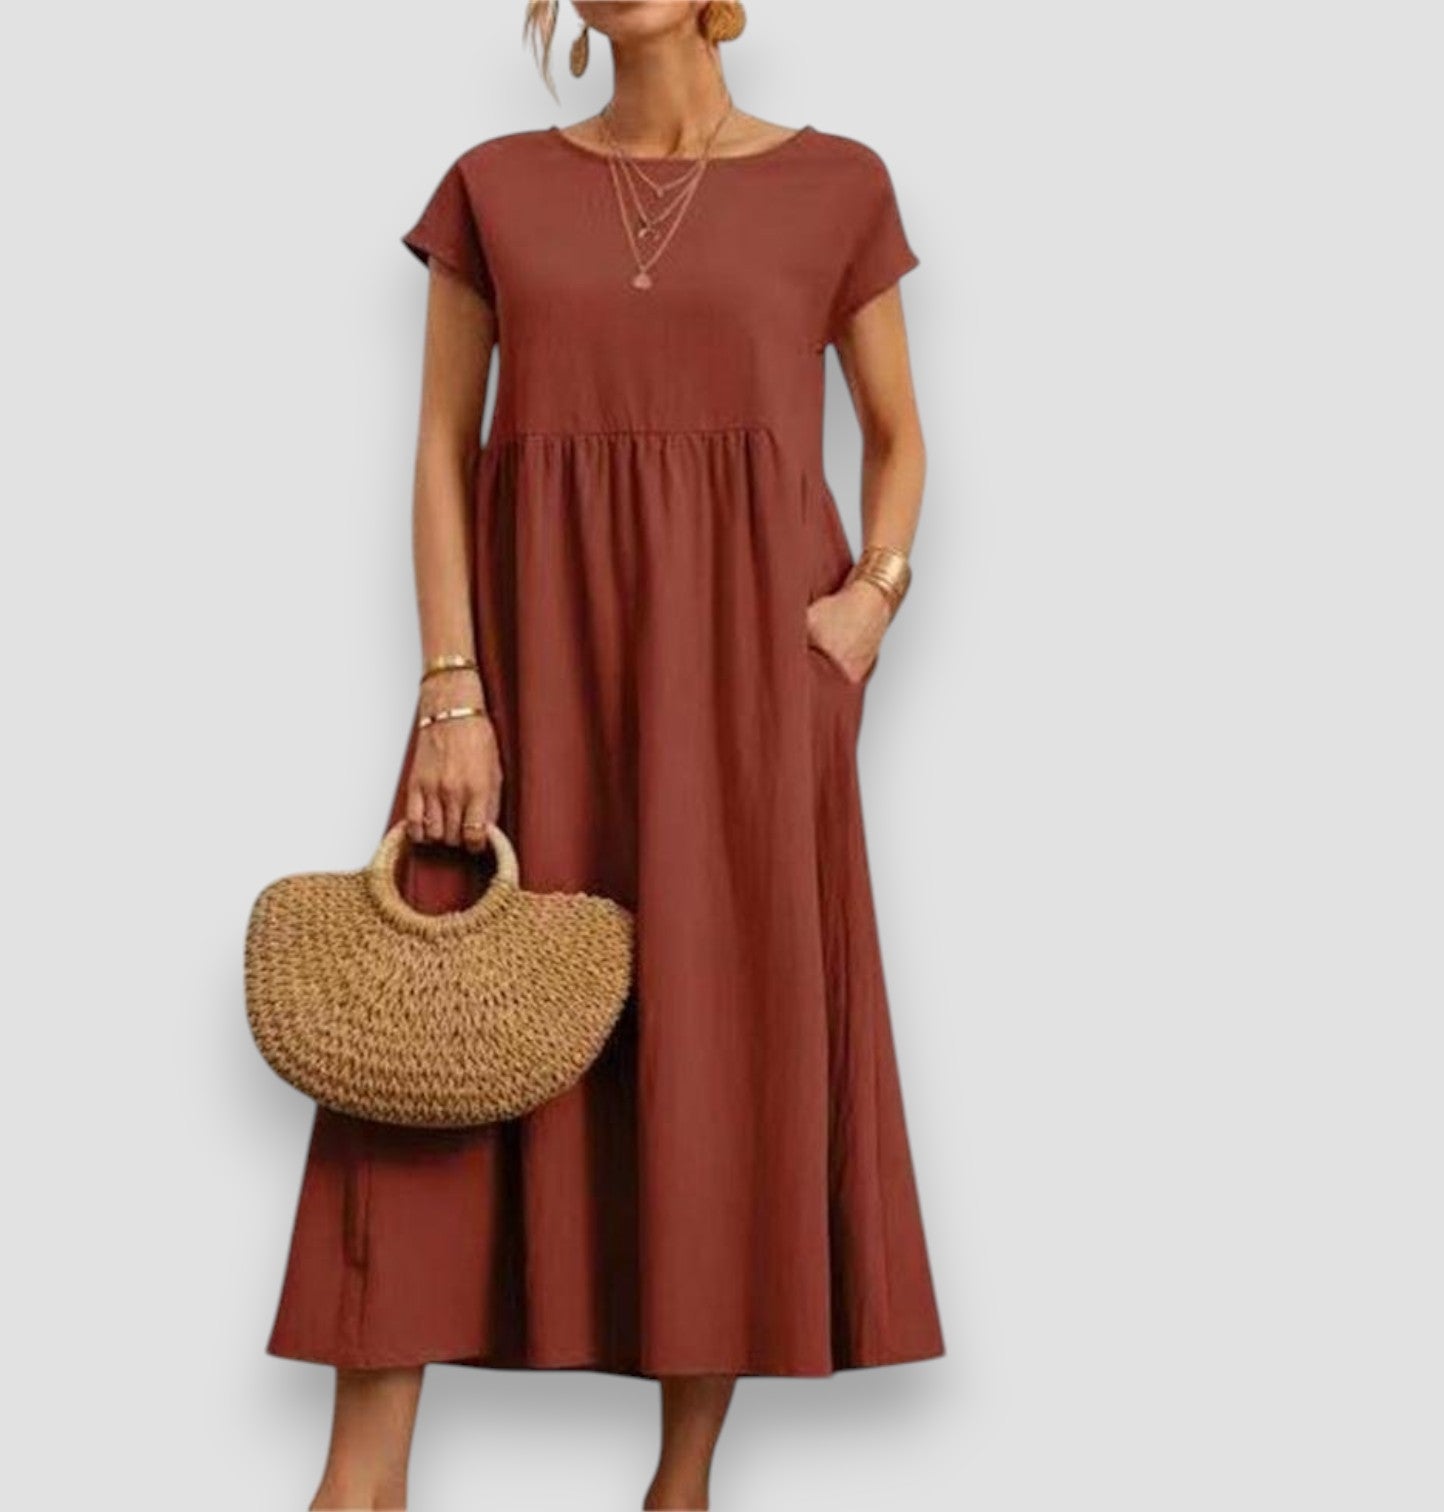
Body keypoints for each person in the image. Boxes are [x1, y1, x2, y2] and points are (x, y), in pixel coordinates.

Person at [266, 3, 944, 1507]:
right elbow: (442, 448)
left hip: (750, 686)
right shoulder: (495, 186)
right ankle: (359, 1486)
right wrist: (452, 689)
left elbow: (898, 435)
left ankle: (679, 1484)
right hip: (528, 662)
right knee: (430, 1014)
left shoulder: (838, 185)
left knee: (724, 1028)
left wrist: (870, 601)